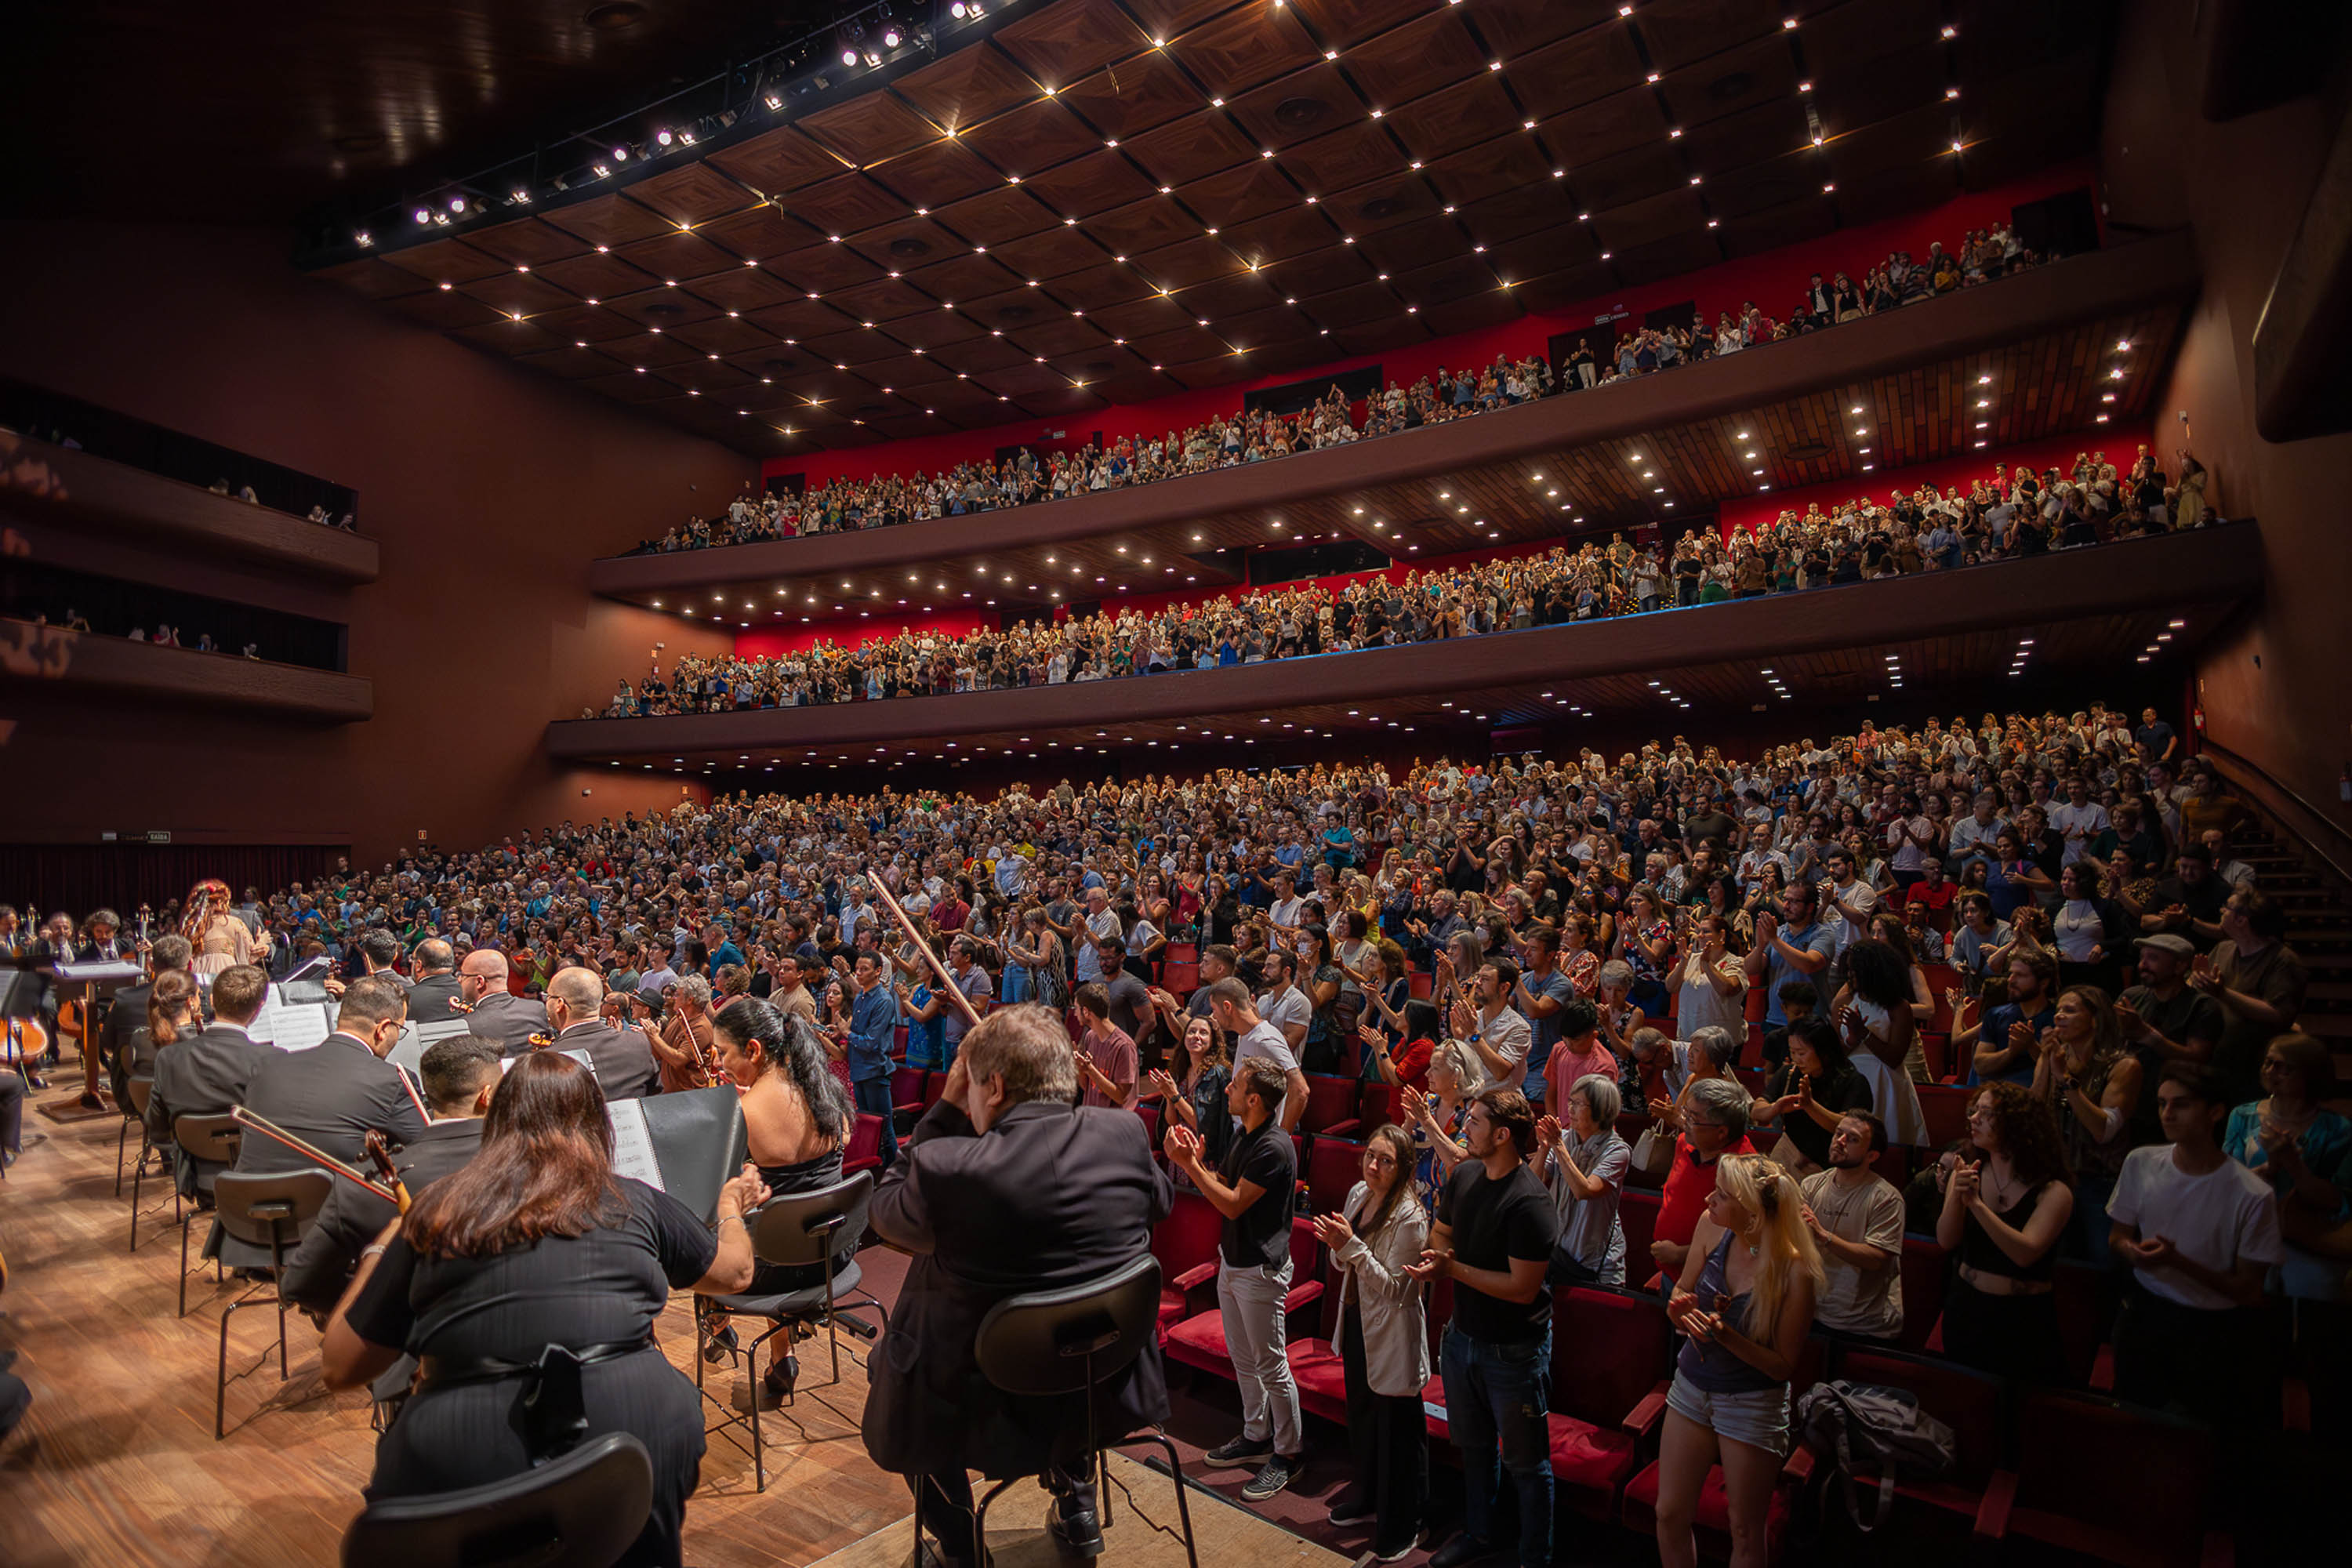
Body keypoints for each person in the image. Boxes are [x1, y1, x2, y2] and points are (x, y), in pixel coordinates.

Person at [321, 1053, 770, 1568]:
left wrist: (385, 1243)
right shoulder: (635, 1201)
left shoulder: (435, 1211)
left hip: (463, 1449)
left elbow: (340, 1366)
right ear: (598, 1126)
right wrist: (730, 1207)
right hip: (638, 1428)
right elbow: (735, 1273)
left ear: (495, 1121)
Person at [866, 1004, 1174, 1564]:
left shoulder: (950, 1166)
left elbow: (886, 1214)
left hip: (984, 1407)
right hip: (1103, 1379)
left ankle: (959, 1544)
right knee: (1067, 1326)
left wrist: (944, 1110)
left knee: (892, 1359)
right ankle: (1078, 1505)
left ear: (995, 1086)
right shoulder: (1125, 1133)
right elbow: (1161, 1202)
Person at [1406, 1088, 1559, 1568]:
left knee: (1527, 1465)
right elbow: (1442, 1232)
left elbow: (1522, 1289)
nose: (1463, 1128)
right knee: (1474, 1449)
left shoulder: (1530, 1201)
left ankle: (1535, 1558)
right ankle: (1480, 1534)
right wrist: (1438, 1256)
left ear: (1502, 1135)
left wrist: (1452, 1269)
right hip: (1463, 1336)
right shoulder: (1467, 1175)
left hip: (1513, 1351)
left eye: (1474, 1122)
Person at [1657, 1155, 1821, 1568]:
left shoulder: (1795, 1271)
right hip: (1692, 1386)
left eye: (1722, 1195)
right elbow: (1682, 1291)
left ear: (1752, 1211)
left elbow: (1782, 1366)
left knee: (1745, 1529)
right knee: (1669, 1513)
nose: (1709, 1199)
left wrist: (1725, 1336)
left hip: (1750, 1402)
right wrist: (1679, 1311)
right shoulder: (1710, 1226)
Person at [2107, 1063, 2284, 1427]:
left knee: (2199, 1432)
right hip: (2144, 1315)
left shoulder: (2251, 1194)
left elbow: (2249, 1290)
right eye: (2162, 1103)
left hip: (2211, 1331)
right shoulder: (2141, 1162)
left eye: (2182, 1104)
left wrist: (2178, 1262)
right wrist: (2132, 1252)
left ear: (2215, 1112)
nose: (2167, 1114)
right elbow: (2118, 1236)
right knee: (2132, 1422)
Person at [283, 1035, 500, 1317]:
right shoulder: (537, 1166)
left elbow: (301, 1285)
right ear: (487, 1096)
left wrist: (378, 1317)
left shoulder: (357, 1184)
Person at [707, 996, 858, 1399]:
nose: (719, 1062)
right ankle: (781, 1355)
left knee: (707, 1229)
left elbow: (719, 1191)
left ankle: (717, 1322)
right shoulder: (826, 1094)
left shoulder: (743, 1113)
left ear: (753, 1050)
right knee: (782, 1221)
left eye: (724, 1052)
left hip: (775, 1271)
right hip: (831, 1255)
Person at [1171, 1055, 1304, 1502]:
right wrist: (1197, 1160)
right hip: (1233, 1261)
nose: (1226, 1088)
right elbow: (1223, 1182)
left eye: (1236, 1085)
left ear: (1254, 1100)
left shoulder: (1275, 1147)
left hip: (1260, 1269)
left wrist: (1189, 1166)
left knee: (1271, 1365)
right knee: (1244, 1359)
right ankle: (1255, 1434)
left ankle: (1289, 1453)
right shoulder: (1244, 1134)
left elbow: (1231, 1204)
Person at [1311, 1124, 1431, 1562]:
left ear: (1403, 1169)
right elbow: (1340, 1259)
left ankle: (1405, 1523)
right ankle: (1366, 1497)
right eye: (1371, 1156)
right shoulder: (1359, 1194)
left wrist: (1351, 1247)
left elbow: (1399, 1290)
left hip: (1392, 1332)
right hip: (1358, 1321)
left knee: (1397, 1432)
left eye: (1386, 1161)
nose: (1374, 1166)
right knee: (1362, 1416)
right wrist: (1339, 1245)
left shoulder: (1412, 1216)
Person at [1936, 1082, 2073, 1382]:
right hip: (1967, 1308)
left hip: (2022, 1320)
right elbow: (1946, 1240)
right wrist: (1957, 1198)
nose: (1973, 1119)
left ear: (2017, 1123)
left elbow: (2024, 1253)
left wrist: (1976, 1205)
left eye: (1986, 1113)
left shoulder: (2053, 1191)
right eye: (1974, 1111)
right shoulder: (1967, 1173)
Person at [231, 973, 426, 1175]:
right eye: (399, 1028)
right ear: (383, 1029)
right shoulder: (393, 1081)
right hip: (336, 1194)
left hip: (248, 1191)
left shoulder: (266, 1067)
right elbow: (423, 1149)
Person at [2222, 1033, 2349, 1301]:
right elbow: (2224, 1181)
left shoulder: (2337, 1129)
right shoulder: (2242, 1115)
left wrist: (2293, 1165)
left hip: (2304, 1237)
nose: (2270, 1071)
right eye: (2267, 1063)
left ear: (2309, 1074)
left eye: (2283, 1067)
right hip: (2246, 1230)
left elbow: (2336, 1200)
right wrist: (2267, 1169)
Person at [2030, 985, 2142, 1259]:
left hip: (2099, 1182)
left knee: (2100, 1264)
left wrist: (2065, 1080)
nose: (2058, 1016)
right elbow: (2033, 1111)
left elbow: (2103, 1130)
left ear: (2095, 1019)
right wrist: (2044, 1060)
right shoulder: (2055, 1056)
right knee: (2055, 1261)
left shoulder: (2123, 1066)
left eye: (2069, 1010)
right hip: (2055, 1177)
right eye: (2058, 1010)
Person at [144, 962, 270, 1194]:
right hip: (258, 1177)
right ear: (259, 1009)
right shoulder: (268, 1059)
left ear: (211, 1001)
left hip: (197, 1176)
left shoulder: (167, 1057)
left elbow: (157, 1127)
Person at [2194, 888, 2307, 1107]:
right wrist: (2197, 981)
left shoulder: (2283, 961)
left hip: (2252, 1068)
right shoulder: (2223, 949)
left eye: (2226, 907)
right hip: (2215, 1060)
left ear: (2241, 919)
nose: (2221, 911)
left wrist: (2223, 993)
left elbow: (2279, 1014)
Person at [1798, 1112, 1905, 1342]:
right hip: (1812, 1311)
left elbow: (1876, 1259)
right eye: (1838, 1133)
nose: (1840, 1141)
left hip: (1860, 1325)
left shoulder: (1886, 1198)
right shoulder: (1811, 1185)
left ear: (1872, 1155)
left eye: (1853, 1139)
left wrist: (1823, 1235)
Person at [1653, 1076, 1758, 1287]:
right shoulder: (1685, 1143)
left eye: (1693, 1119)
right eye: (1685, 1113)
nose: (1684, 1122)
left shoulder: (1744, 1170)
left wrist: (1681, 1254)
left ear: (1721, 1132)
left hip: (1711, 1282)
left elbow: (1745, 1237)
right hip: (1671, 1275)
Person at [1534, 1073, 1628, 1286]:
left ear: (1601, 1110)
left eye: (1579, 1104)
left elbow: (1584, 1191)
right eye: (1570, 1101)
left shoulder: (1617, 1151)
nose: (1571, 1109)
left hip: (1596, 1261)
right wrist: (1544, 1149)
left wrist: (1558, 1146)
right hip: (1559, 1252)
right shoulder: (1564, 1138)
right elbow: (1532, 1184)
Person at [1835, 939, 1927, 1148]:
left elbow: (1895, 1058)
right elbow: (1836, 1054)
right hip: (1853, 1081)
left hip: (1886, 1082)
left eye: (1855, 970)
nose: (1850, 974)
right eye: (1848, 969)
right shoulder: (1842, 1002)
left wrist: (1864, 1033)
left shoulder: (1899, 1007)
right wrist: (1851, 1039)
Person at [1752, 1019, 1872, 1174]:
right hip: (1787, 1155)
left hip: (1830, 1164)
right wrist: (1776, 1107)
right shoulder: (1789, 1073)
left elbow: (1848, 1127)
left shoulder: (1853, 1081)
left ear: (1824, 1052)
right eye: (1792, 1052)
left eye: (1802, 1053)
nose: (1796, 1059)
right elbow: (1757, 1112)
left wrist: (1810, 1105)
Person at [541, 965, 661, 1100]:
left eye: (548, 996)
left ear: (559, 1004)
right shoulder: (638, 1042)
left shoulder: (547, 1062)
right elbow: (655, 1096)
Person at [1206, 976, 1308, 1131]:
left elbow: (1300, 1090)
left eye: (1214, 1009)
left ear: (1227, 1007)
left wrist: (1282, 1137)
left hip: (1264, 1137)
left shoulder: (1266, 1040)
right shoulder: (1244, 1035)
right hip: (1244, 1132)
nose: (1213, 1016)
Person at [829, 950, 899, 1171]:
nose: (858, 973)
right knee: (867, 1125)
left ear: (878, 971)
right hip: (859, 1068)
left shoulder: (883, 1001)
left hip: (875, 1069)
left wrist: (846, 1032)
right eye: (857, 969)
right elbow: (856, 1032)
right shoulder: (861, 996)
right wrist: (839, 1032)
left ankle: (896, 1172)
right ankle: (874, 1170)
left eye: (864, 969)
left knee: (884, 1127)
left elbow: (870, 1042)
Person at [1143, 1014, 1233, 1182]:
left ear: (1213, 1040)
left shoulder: (1218, 1075)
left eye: (1203, 1033)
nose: (1196, 1036)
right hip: (1179, 1153)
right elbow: (1173, 1122)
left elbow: (1203, 1127)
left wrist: (1175, 1096)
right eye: (1191, 1032)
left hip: (1203, 1155)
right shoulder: (1181, 1071)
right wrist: (1168, 1097)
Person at [1405, 1036, 1483, 1207]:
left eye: (1435, 1068)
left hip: (1453, 1205)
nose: (1427, 1074)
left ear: (1456, 1074)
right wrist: (1409, 1124)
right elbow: (1398, 1151)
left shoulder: (1475, 1112)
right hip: (1415, 1201)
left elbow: (1458, 1161)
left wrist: (1426, 1121)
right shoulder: (1428, 1102)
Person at [457, 947, 551, 1054]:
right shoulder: (537, 1008)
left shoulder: (466, 1024)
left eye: (463, 975)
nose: (459, 980)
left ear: (480, 982)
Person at [1072, 980, 1138, 1109]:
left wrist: (1090, 1070)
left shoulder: (1124, 1046)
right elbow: (1086, 1087)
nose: (1074, 1014)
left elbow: (1121, 1097)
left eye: (1076, 1008)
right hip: (1092, 1115)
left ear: (1086, 1012)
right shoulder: (1090, 1037)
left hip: (1113, 1119)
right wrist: (1079, 1068)